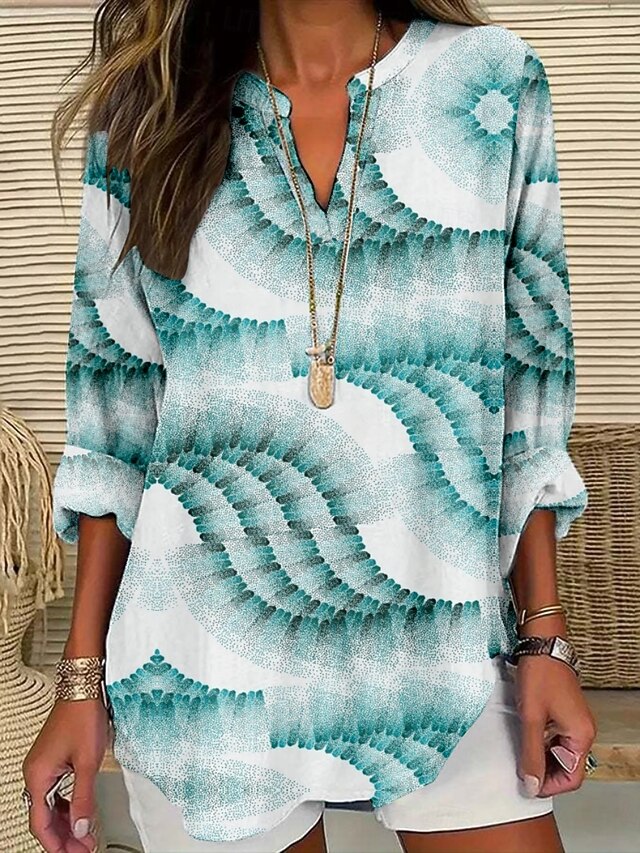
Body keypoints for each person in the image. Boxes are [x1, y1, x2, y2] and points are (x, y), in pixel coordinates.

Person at [22, 1, 598, 851]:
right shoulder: (150, 111)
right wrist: (81, 682)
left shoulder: (491, 82)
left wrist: (544, 637)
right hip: (207, 677)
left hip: (446, 649)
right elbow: (114, 421)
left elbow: (530, 382)